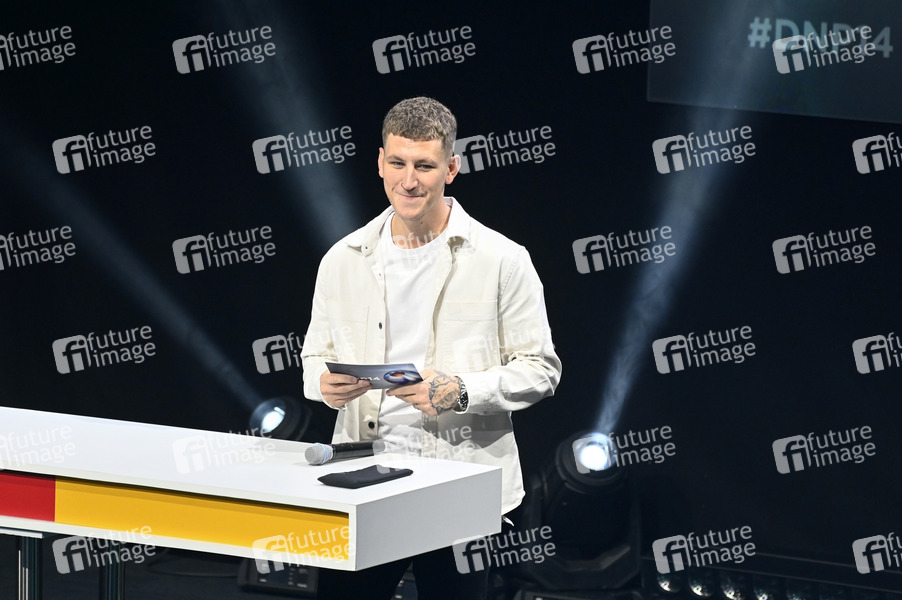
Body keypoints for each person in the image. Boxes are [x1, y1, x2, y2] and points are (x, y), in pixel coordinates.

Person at [300, 96, 561, 599]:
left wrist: (460, 391)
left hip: (457, 482)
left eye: (424, 166)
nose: (409, 181)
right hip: (363, 477)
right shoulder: (343, 258)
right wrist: (324, 385)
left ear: (451, 169)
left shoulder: (502, 259)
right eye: (397, 163)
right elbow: (315, 357)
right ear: (380, 162)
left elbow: (541, 369)